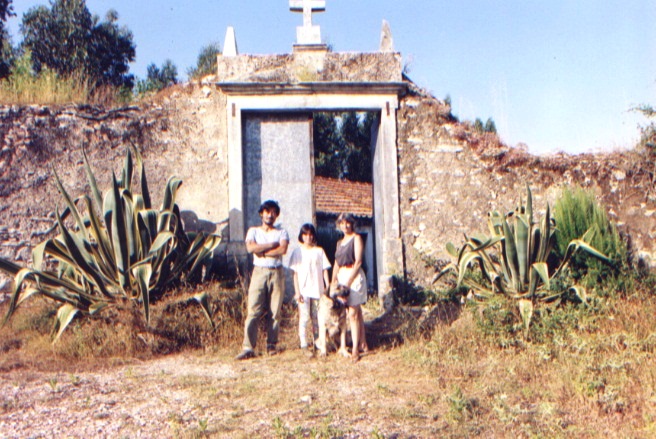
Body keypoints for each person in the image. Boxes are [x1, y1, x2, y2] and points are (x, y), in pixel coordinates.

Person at [235, 200, 289, 360]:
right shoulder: (253, 231)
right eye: (267, 211)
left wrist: (262, 251)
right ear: (261, 213)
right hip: (259, 272)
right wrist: (271, 244)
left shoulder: (282, 232)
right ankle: (248, 347)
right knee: (253, 310)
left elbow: (282, 249)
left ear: (276, 215)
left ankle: (271, 345)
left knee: (275, 312)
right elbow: (251, 248)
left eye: (273, 212)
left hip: (277, 273)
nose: (270, 215)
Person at [331, 213, 369, 362]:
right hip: (342, 275)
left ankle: (355, 349)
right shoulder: (339, 242)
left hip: (354, 275)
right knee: (352, 312)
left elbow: (358, 261)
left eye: (347, 223)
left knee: (353, 313)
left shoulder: (356, 238)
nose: (345, 226)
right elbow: (336, 263)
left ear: (352, 224)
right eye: (342, 223)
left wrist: (348, 282)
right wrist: (333, 279)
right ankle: (362, 343)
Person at [289, 223, 331, 353]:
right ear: (302, 236)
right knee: (304, 317)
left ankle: (318, 343)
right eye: (306, 234)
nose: (308, 237)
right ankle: (303, 344)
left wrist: (327, 286)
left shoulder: (319, 251)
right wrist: (297, 292)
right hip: (303, 290)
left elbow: (324, 269)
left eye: (311, 234)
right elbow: (295, 274)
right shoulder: (297, 252)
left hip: (317, 290)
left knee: (317, 318)